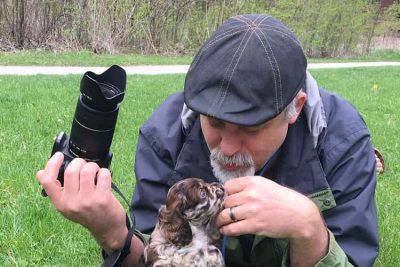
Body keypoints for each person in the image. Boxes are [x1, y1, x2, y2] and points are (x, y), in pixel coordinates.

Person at [37, 14, 379, 266]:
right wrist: (113, 233)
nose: (227, 148)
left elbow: (354, 258)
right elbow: (152, 257)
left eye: (250, 128)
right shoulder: (166, 133)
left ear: (295, 109)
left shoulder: (341, 141)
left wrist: (310, 229)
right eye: (215, 124)